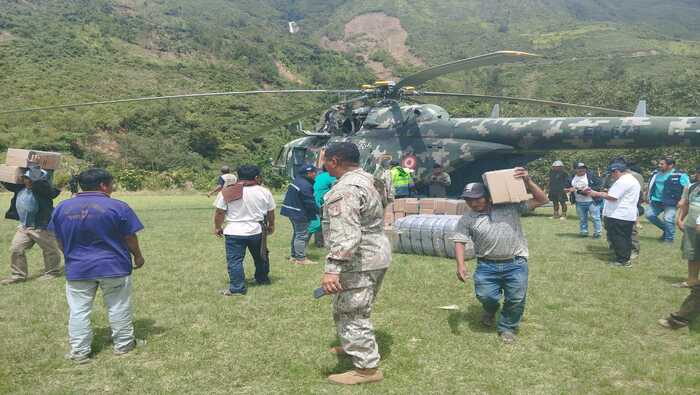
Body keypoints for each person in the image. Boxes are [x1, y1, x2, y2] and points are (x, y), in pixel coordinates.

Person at [48, 168, 145, 363]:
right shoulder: (118, 207)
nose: (113, 187)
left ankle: (79, 351)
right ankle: (124, 344)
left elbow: (58, 238)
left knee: (78, 310)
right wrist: (138, 256)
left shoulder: (61, 208)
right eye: (112, 183)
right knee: (118, 306)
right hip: (114, 267)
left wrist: (70, 255)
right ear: (103, 185)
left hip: (78, 268)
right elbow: (129, 237)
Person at [319, 142, 391, 385]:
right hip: (376, 255)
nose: (322, 165)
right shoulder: (370, 179)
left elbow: (346, 234)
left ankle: (366, 369)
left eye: (325, 160)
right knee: (360, 307)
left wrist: (332, 269)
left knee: (351, 312)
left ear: (335, 161)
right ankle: (353, 345)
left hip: (359, 260)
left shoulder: (346, 189)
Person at [452, 169, 548, 344]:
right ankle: (490, 309)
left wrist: (528, 182)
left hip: (516, 262)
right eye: (468, 200)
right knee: (485, 296)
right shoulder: (467, 219)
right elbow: (459, 240)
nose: (473, 203)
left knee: (516, 298)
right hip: (487, 265)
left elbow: (542, 199)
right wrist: (460, 265)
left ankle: (507, 327)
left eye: (477, 198)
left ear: (488, 196)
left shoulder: (510, 208)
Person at [214, 165, 275, 296]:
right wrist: (271, 225)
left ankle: (237, 288)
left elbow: (219, 212)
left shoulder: (226, 191)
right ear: (257, 177)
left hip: (234, 231)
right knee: (261, 256)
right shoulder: (264, 192)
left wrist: (218, 227)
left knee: (235, 261)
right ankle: (262, 279)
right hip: (257, 230)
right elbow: (271, 212)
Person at [1, 166, 62, 285]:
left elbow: (49, 189)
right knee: (16, 249)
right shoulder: (20, 188)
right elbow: (7, 181)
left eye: (30, 179)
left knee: (50, 250)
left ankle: (52, 272)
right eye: (25, 178)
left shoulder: (44, 191)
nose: (27, 181)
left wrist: (37, 178)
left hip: (41, 227)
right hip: (24, 227)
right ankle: (18, 276)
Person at [588, 163, 640, 267]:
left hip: (618, 214)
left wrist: (595, 193)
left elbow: (613, 197)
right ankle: (624, 257)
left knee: (618, 237)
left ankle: (622, 260)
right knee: (625, 237)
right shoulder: (632, 180)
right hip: (626, 214)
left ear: (616, 171)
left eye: (612, 174)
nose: (611, 176)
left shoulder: (623, 181)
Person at [280, 164, 319, 265]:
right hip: (299, 213)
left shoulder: (298, 181)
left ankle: (294, 256)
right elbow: (309, 202)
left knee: (297, 233)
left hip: (291, 211)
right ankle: (301, 259)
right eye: (314, 172)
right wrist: (319, 211)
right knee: (302, 235)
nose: (316, 174)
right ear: (308, 173)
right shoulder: (305, 185)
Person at [646, 158, 689, 243]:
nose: (659, 165)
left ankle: (669, 239)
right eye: (659, 163)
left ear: (670, 165)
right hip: (656, 200)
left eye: (662, 164)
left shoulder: (680, 175)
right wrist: (646, 195)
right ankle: (667, 230)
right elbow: (651, 185)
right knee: (649, 215)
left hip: (671, 202)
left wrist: (683, 199)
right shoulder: (656, 174)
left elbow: (686, 187)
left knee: (668, 218)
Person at [673, 165, 700, 288]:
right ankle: (692, 279)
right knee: (692, 253)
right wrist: (680, 219)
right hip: (691, 226)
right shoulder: (691, 187)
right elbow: (685, 204)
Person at [565, 162, 603, 238]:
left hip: (592, 201)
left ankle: (597, 233)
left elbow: (599, 185)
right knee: (582, 218)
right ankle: (584, 232)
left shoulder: (591, 175)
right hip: (579, 202)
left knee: (596, 218)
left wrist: (589, 190)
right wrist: (569, 189)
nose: (582, 169)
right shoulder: (571, 177)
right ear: (575, 169)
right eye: (579, 168)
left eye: (583, 168)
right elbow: (565, 188)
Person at [312, 167, 337, 248]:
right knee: (327, 222)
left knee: (319, 221)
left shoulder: (319, 176)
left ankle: (318, 242)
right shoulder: (331, 176)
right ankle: (326, 242)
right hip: (322, 202)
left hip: (315, 200)